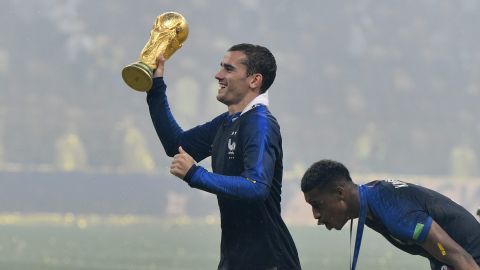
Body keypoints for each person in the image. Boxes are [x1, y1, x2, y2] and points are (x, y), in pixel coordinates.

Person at [146, 43, 301, 270]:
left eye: (228, 69)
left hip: (268, 260)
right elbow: (176, 145)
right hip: (236, 258)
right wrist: (155, 86)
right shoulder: (227, 122)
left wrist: (196, 174)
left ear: (254, 80)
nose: (218, 75)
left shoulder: (260, 124)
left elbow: (256, 186)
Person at [301, 159, 480, 270]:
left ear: (340, 193)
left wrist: (446, 257)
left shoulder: (392, 209)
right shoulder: (371, 199)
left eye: (318, 205)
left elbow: (459, 257)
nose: (316, 216)